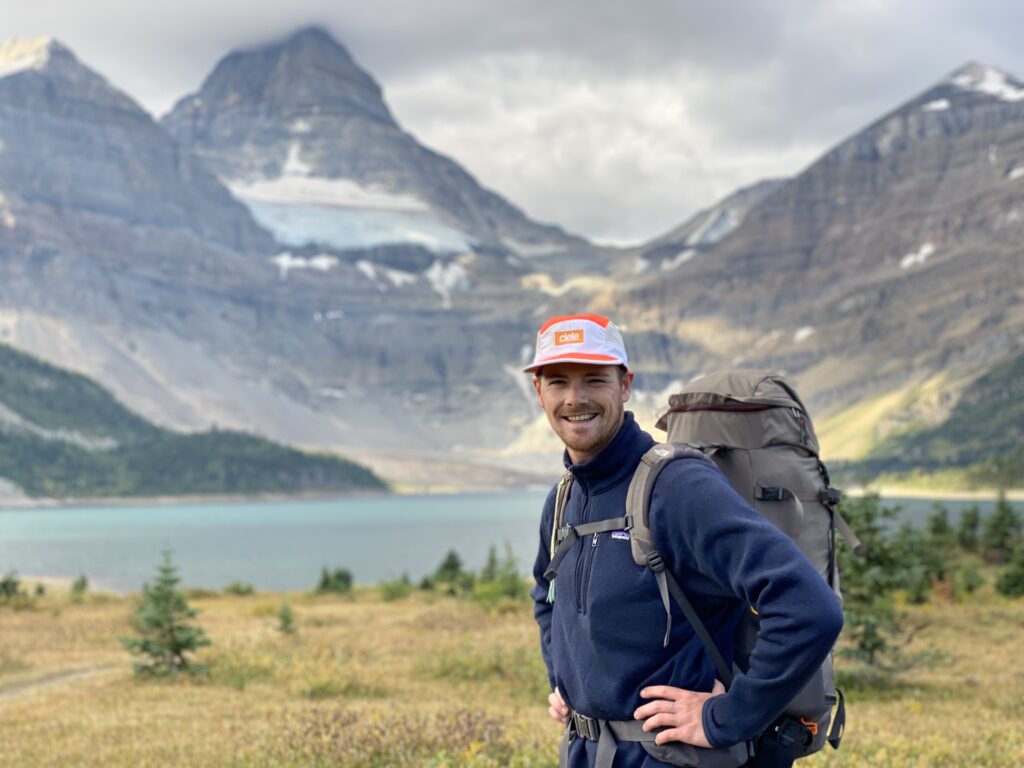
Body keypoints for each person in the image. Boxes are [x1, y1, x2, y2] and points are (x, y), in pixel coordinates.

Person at [526, 313, 843, 768]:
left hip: (672, 757)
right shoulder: (564, 497)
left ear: (624, 384)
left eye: (594, 379)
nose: (575, 399)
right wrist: (564, 678)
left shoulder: (677, 487)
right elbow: (547, 594)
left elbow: (808, 607)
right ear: (539, 391)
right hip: (588, 753)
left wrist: (726, 717)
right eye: (558, 381)